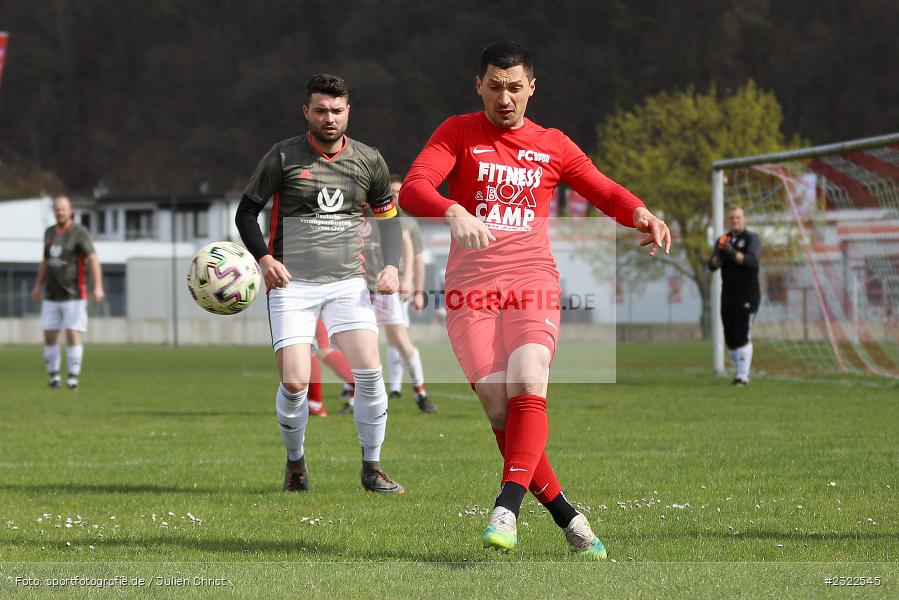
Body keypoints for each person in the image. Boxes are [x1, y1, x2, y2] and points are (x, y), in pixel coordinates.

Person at [399, 41, 671, 558]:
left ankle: (507, 507)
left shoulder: (552, 143)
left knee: (529, 378)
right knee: (500, 407)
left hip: (532, 281)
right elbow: (413, 188)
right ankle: (570, 517)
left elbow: (603, 189)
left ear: (532, 88)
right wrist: (452, 210)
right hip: (469, 290)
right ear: (477, 85)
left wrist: (640, 212)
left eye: (515, 87)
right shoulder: (456, 132)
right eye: (495, 87)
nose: (505, 98)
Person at [234, 73, 405, 494]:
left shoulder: (369, 160)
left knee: (370, 373)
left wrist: (393, 267)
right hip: (292, 285)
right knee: (294, 384)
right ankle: (295, 464)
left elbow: (389, 220)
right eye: (321, 110)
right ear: (306, 111)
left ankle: (372, 468)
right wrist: (265, 259)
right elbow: (246, 213)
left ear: (349, 111)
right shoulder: (282, 157)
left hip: (348, 283)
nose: (329, 118)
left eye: (337, 110)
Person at [368, 175, 436, 414]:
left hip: (389, 289)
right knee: (361, 342)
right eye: (391, 192)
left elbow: (413, 255)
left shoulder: (402, 221)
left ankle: (420, 392)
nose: (394, 196)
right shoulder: (362, 213)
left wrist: (411, 284)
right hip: (362, 289)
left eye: (398, 192)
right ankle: (360, 396)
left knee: (398, 340)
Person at [31, 195, 104, 390]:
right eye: (56, 209)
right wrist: (38, 285)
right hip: (51, 296)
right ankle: (54, 377)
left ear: (70, 210)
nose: (59, 212)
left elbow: (93, 259)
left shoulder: (79, 232)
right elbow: (45, 262)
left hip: (74, 294)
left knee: (72, 333)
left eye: (63, 209)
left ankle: (72, 378)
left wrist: (98, 286)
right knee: (49, 335)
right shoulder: (49, 233)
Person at [708, 205, 762, 386]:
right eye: (732, 218)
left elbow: (752, 262)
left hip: (747, 294)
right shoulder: (722, 239)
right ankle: (739, 373)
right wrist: (722, 255)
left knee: (742, 334)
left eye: (738, 217)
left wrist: (732, 252)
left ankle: (743, 377)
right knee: (730, 338)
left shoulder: (752, 239)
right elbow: (712, 265)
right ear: (727, 220)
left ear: (744, 218)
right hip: (728, 294)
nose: (735, 220)